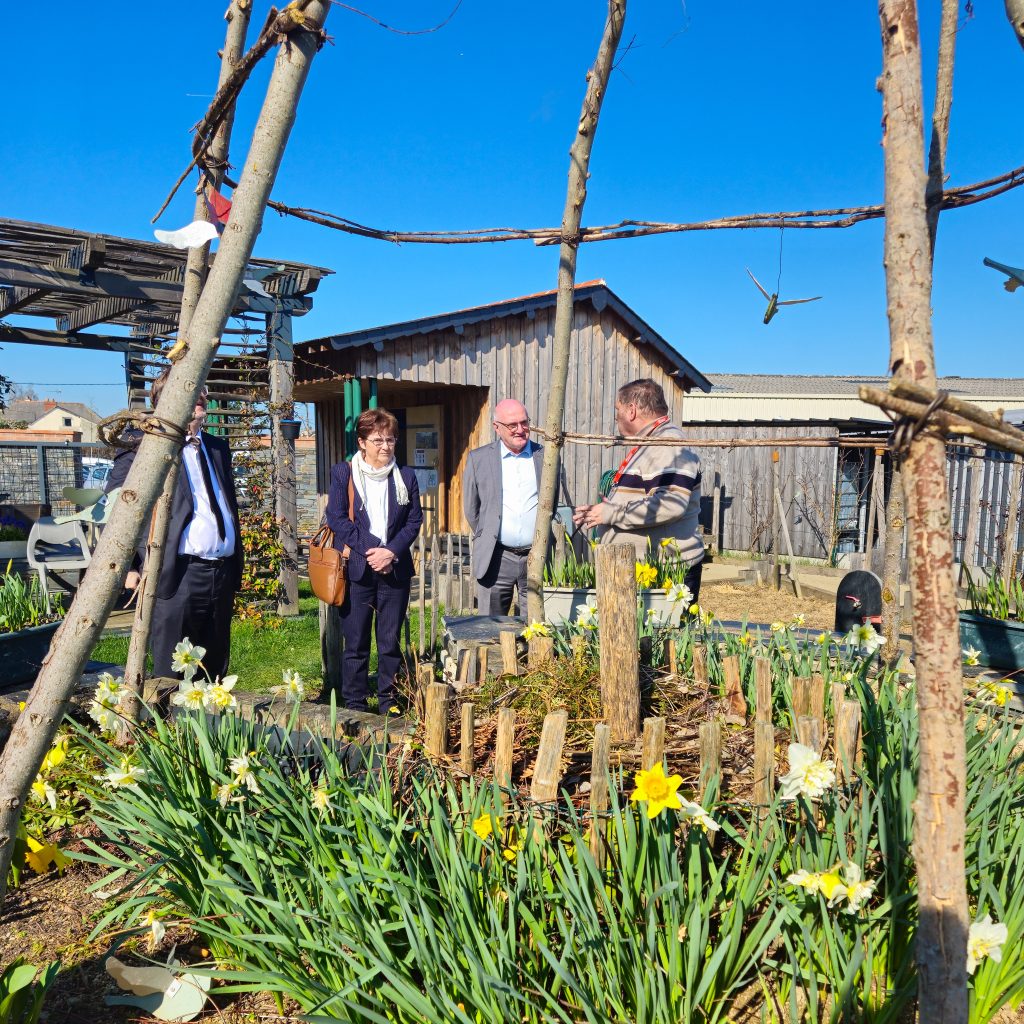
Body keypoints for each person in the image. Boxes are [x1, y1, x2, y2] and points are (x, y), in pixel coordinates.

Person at [107, 368, 242, 680]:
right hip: (176, 573)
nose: (201, 396)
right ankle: (167, 713)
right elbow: (116, 510)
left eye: (203, 390)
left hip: (221, 572)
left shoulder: (217, 448)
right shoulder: (142, 447)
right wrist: (129, 564)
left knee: (214, 669)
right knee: (172, 672)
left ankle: (211, 713)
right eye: (192, 390)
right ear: (165, 401)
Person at [325, 408, 423, 715]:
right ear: (362, 442)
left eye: (390, 439)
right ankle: (355, 705)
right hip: (357, 570)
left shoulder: (406, 476)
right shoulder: (343, 473)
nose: (385, 446)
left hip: (394, 570)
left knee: (389, 642)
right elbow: (337, 519)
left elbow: (414, 521)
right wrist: (375, 550)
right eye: (378, 440)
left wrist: (391, 552)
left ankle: (388, 702)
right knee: (355, 643)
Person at [573, 378, 704, 601]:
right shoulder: (653, 442)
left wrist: (611, 512)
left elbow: (670, 504)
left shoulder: (668, 444)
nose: (616, 417)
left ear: (631, 410)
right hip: (647, 570)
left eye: (618, 410)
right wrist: (602, 510)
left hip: (665, 573)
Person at [463, 398, 544, 616]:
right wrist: (489, 533)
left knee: (536, 626)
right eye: (512, 425)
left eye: (524, 422)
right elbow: (471, 509)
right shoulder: (478, 459)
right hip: (496, 557)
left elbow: (551, 504)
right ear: (497, 427)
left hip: (536, 557)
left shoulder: (544, 457)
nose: (520, 429)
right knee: (491, 627)